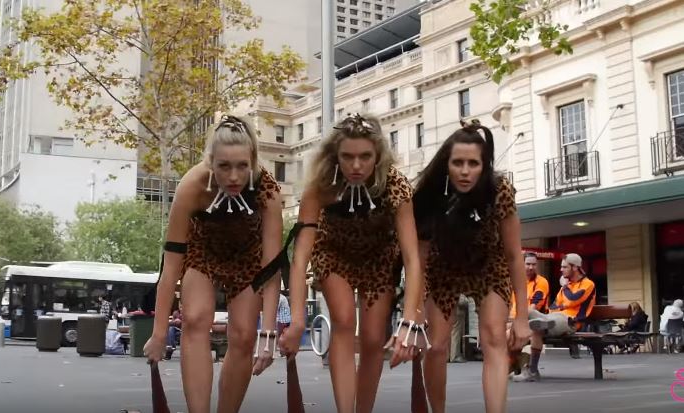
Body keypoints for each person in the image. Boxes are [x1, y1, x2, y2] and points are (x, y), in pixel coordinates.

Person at [279, 113, 424, 413]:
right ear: (335, 155)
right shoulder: (320, 186)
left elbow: (411, 257)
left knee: (372, 338)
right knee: (344, 320)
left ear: (378, 155)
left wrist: (410, 318)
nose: (356, 166)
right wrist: (297, 319)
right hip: (334, 252)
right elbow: (300, 257)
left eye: (365, 157)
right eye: (347, 157)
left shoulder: (396, 185)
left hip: (379, 258)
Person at [143, 115, 283, 413]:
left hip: (249, 256)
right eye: (224, 166)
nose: (233, 177)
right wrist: (158, 333)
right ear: (210, 162)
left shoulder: (267, 190)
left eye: (242, 166)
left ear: (253, 161)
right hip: (203, 250)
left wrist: (269, 334)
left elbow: (272, 267)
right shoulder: (192, 186)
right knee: (195, 318)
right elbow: (171, 266)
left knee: (244, 334)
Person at [412, 121, 530, 413]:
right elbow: (419, 257)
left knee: (494, 338)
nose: (465, 171)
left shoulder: (499, 191)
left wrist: (521, 317)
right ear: (447, 164)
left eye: (473, 163)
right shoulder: (430, 195)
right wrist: (415, 308)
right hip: (443, 266)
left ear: (484, 165)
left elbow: (514, 255)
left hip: (488, 264)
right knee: (436, 345)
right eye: (458, 163)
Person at [516, 253, 596, 382]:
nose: (561, 270)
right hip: (553, 317)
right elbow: (554, 306)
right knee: (528, 312)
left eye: (564, 267)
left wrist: (564, 288)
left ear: (575, 267)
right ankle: (540, 324)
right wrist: (562, 304)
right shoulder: (567, 286)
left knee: (538, 326)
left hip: (570, 321)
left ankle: (532, 371)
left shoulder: (588, 284)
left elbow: (573, 299)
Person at [508, 252, 550, 373]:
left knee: (507, 335)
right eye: (528, 264)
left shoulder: (541, 282)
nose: (531, 267)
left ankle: (522, 365)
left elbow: (533, 308)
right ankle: (515, 364)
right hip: (514, 319)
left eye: (534, 264)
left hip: (533, 321)